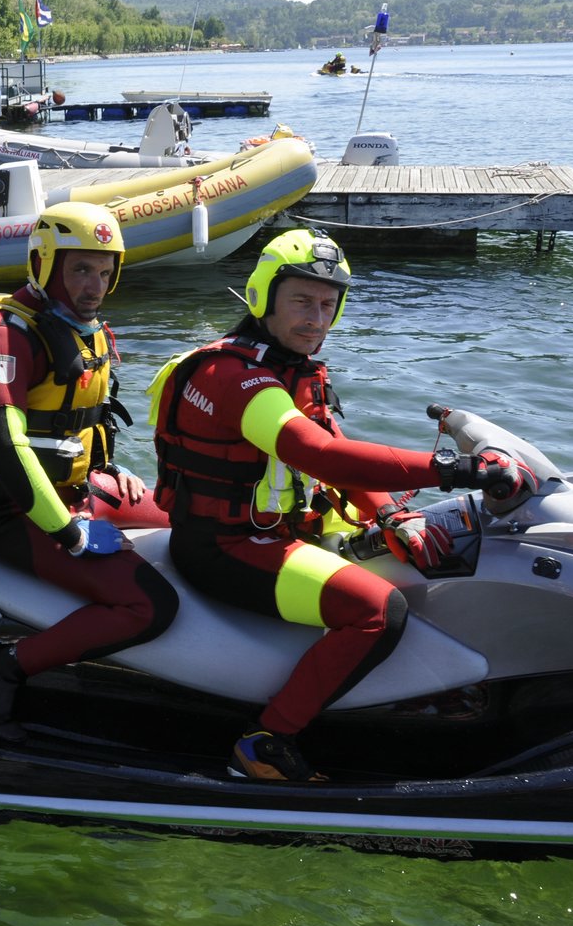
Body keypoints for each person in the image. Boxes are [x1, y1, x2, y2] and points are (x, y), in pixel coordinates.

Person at [149, 229, 533, 781]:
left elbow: (340, 460)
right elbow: (318, 454)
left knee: (424, 560)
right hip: (223, 548)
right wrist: (456, 470)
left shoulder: (298, 372)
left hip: (276, 534)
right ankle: (264, 742)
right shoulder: (232, 375)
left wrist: (392, 513)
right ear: (263, 298)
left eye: (328, 304)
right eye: (301, 301)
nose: (316, 318)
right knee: (377, 611)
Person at [0, 201, 179, 740]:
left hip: (80, 490)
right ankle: (4, 667)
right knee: (150, 605)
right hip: (12, 514)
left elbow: (80, 420)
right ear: (43, 264)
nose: (95, 286)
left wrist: (111, 468)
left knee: (186, 513)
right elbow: (7, 442)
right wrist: (69, 532)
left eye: (106, 272)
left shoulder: (89, 330)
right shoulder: (3, 335)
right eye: (81, 269)